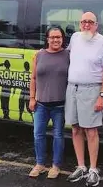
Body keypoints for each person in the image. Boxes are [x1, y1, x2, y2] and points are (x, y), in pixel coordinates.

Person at [65, 12, 103, 186]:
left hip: (92, 90)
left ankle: (93, 169)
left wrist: (102, 95)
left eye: (90, 22)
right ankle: (81, 167)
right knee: (75, 129)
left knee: (91, 131)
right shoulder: (75, 38)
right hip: (72, 88)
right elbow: (67, 57)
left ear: (96, 25)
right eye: (83, 22)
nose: (86, 25)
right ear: (80, 24)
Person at [28, 26, 70, 179]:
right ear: (47, 39)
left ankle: (56, 166)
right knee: (38, 134)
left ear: (62, 38)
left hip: (59, 105)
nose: (55, 40)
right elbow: (33, 78)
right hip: (41, 105)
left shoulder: (68, 55)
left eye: (58, 37)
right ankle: (39, 164)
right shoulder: (39, 55)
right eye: (52, 37)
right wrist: (32, 98)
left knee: (58, 135)